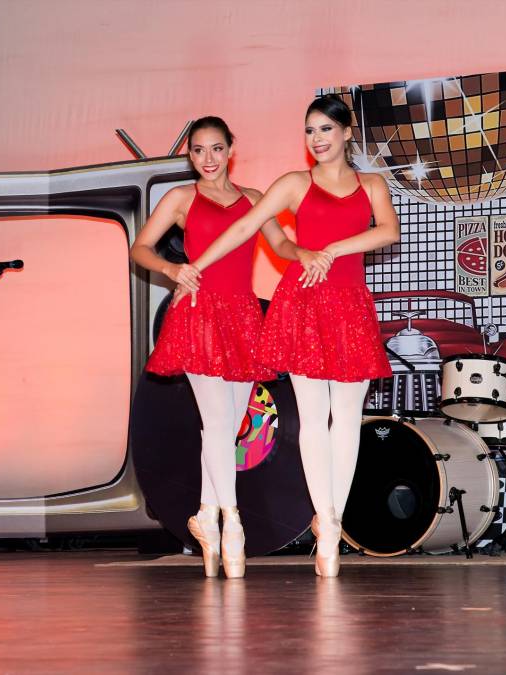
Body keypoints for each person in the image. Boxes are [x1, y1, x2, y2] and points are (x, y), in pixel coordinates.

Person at [184, 94, 399, 577]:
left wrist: (333, 247)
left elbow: (388, 232)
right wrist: (195, 266)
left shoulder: (372, 185)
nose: (317, 139)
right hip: (303, 306)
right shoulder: (294, 185)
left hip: (348, 307)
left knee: (347, 418)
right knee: (313, 415)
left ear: (346, 133)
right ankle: (325, 521)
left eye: (326, 129)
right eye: (309, 131)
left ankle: (331, 523)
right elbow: (244, 228)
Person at [130, 116, 309, 579]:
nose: (207, 159)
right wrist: (171, 271)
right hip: (199, 315)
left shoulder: (252, 200)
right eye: (198, 150)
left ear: (232, 150)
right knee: (215, 419)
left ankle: (206, 516)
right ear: (190, 155)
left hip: (244, 318)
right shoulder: (181, 198)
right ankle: (233, 525)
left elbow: (279, 244)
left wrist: (306, 253)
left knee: (228, 429)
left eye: (215, 149)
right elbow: (141, 249)